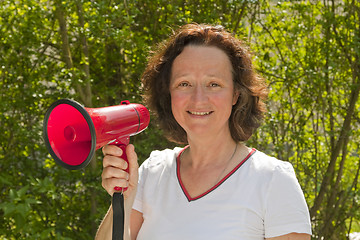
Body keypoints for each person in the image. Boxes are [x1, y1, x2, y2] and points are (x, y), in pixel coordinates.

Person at [95, 23, 312, 240]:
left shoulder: (272, 179)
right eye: (184, 84)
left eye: (214, 84)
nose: (198, 99)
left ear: (236, 94)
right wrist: (123, 200)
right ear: (169, 93)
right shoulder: (152, 172)